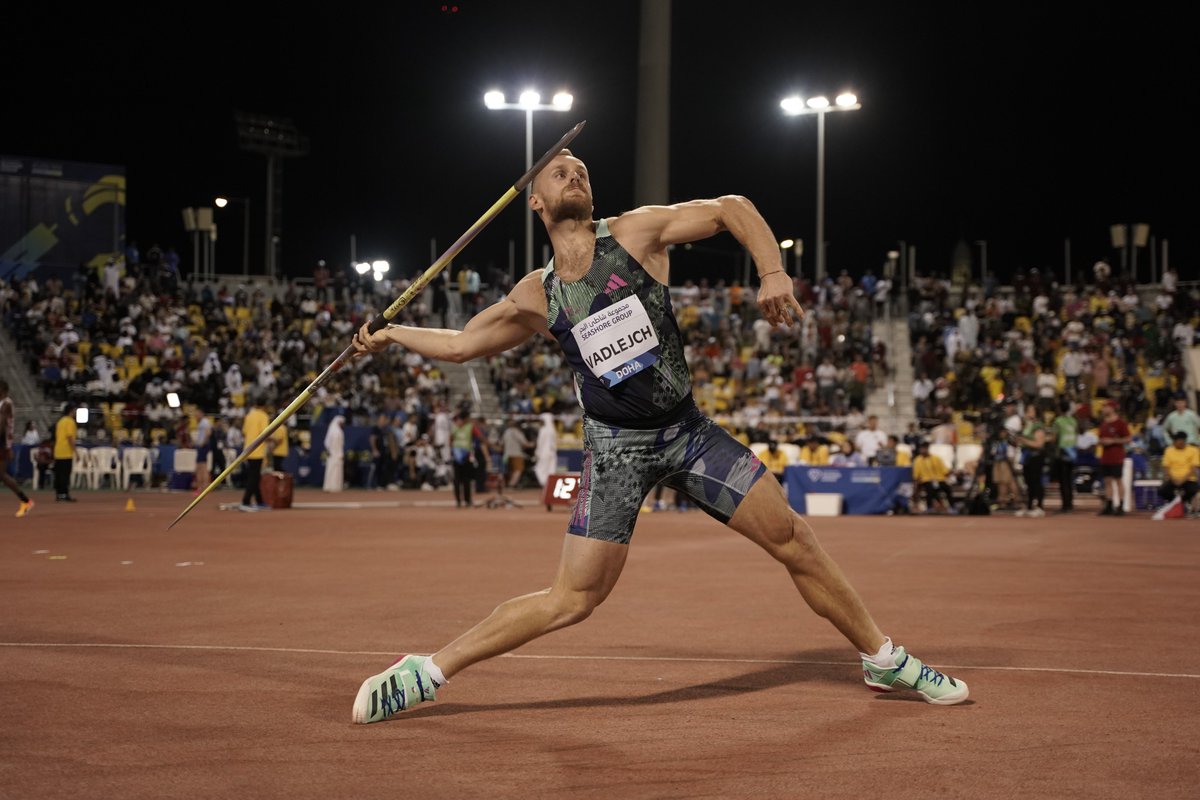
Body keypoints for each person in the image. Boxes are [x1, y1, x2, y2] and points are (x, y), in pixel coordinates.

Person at [349, 148, 968, 724]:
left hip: (686, 432)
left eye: (581, 170)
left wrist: (771, 270)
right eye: (559, 172)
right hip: (615, 450)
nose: (575, 176)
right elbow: (459, 345)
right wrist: (391, 334)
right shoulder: (536, 295)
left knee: (792, 537)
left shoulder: (633, 234)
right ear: (534, 202)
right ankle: (426, 671)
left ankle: (883, 658)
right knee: (573, 599)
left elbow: (732, 209)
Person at [1, 380, 35, 517]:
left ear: (2, 390)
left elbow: (2, 425)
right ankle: (25, 500)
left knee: (2, 475)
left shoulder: (6, 404)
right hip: (3, 442)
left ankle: (25, 500)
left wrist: (8, 447)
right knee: (2, 475)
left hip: (1, 442)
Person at [1096, 401, 1131, 516]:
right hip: (1106, 456)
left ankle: (1120, 505)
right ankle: (1109, 505)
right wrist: (1102, 442)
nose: (1104, 409)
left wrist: (1113, 441)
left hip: (1117, 456)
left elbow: (1128, 439)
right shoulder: (1104, 423)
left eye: (1106, 407)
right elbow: (1100, 438)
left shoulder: (1120, 423)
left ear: (1112, 408)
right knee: (1107, 481)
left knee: (1118, 480)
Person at [1154, 431, 1199, 519]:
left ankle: (1184, 504)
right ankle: (1175, 504)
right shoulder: (1169, 450)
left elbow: (1194, 467)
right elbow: (1166, 467)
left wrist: (1183, 479)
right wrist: (1172, 478)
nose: (1179, 444)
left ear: (1184, 441)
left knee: (1193, 490)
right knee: (1161, 490)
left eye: (1181, 442)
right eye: (1177, 442)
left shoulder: (1193, 450)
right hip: (1173, 479)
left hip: (1189, 479)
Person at [1015, 403, 1047, 517]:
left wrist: (1024, 441)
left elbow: (1039, 443)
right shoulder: (1028, 425)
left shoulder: (1038, 426)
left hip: (1036, 456)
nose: (1028, 412)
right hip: (1027, 456)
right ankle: (1029, 506)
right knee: (1028, 481)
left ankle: (1040, 506)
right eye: (1027, 410)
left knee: (1036, 481)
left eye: (1031, 410)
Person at [240, 394, 269, 510]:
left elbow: (244, 432)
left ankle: (259, 500)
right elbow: (265, 433)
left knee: (255, 476)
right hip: (257, 450)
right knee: (254, 477)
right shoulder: (263, 416)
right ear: (265, 405)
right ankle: (245, 500)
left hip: (248, 448)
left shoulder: (249, 415)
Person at [1049, 399, 1078, 513]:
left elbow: (1054, 438)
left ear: (1059, 409)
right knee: (1070, 479)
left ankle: (1065, 505)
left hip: (1062, 452)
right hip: (1073, 452)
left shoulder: (1058, 421)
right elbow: (1076, 434)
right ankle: (1070, 503)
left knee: (1063, 480)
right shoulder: (1073, 421)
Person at [911, 440, 953, 514]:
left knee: (947, 488)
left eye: (925, 448)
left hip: (939, 480)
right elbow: (916, 476)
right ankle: (930, 507)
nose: (923, 450)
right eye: (921, 448)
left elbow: (945, 471)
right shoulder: (917, 460)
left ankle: (952, 506)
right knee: (929, 488)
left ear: (928, 448)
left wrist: (950, 473)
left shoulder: (936, 458)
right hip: (925, 480)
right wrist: (916, 484)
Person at [53, 403, 77, 502]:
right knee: (65, 474)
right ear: (71, 411)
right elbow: (70, 437)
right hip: (66, 451)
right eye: (74, 410)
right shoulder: (70, 422)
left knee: (59, 474)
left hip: (58, 450)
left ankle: (59, 494)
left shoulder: (60, 421)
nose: (75, 413)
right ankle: (64, 493)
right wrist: (75, 450)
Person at [501, 417, 534, 489]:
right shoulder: (517, 432)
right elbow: (525, 444)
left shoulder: (506, 432)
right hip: (516, 454)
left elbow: (502, 444)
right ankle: (511, 485)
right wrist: (534, 444)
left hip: (506, 454)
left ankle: (509, 484)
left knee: (511, 470)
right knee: (518, 470)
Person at [533, 412, 558, 488]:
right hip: (552, 453)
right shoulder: (553, 430)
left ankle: (544, 483)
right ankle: (549, 484)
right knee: (550, 469)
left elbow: (540, 443)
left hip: (543, 452)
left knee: (539, 469)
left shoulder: (543, 430)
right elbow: (554, 444)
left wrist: (537, 452)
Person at [323, 415, 346, 492]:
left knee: (336, 470)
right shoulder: (335, 431)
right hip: (334, 453)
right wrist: (330, 451)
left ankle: (335, 487)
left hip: (337, 453)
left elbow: (339, 444)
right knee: (332, 469)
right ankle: (331, 486)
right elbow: (327, 442)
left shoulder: (338, 431)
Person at [192, 409, 213, 494]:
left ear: (201, 414)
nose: (196, 417)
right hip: (202, 445)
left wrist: (202, 443)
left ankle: (203, 485)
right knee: (201, 465)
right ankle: (203, 485)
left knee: (201, 466)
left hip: (203, 446)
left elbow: (208, 433)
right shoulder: (202, 422)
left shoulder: (204, 422)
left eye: (197, 415)